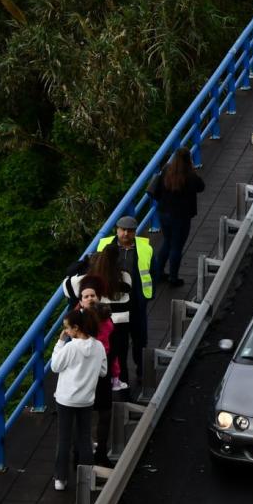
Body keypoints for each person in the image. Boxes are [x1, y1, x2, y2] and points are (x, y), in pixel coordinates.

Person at [50, 308, 107, 491]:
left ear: (76, 328)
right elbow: (103, 371)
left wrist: (59, 343)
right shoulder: (98, 346)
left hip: (66, 399)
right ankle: (87, 478)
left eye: (67, 328)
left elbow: (55, 366)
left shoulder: (70, 347)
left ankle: (61, 479)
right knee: (84, 439)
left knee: (64, 439)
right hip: (87, 399)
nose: (66, 331)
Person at [64, 246, 133, 392]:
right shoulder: (125, 276)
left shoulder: (84, 281)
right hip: (120, 324)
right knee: (119, 359)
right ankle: (123, 392)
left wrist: (83, 263)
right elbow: (129, 288)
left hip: (93, 326)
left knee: (91, 363)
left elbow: (67, 286)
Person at [95, 216, 153, 386]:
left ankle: (141, 371)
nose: (125, 233)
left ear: (135, 232)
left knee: (140, 339)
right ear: (117, 229)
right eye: (122, 229)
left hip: (136, 302)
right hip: (113, 305)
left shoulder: (144, 247)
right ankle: (118, 377)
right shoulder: (104, 245)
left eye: (130, 231)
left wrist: (147, 295)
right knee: (116, 342)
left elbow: (153, 270)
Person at [74, 280, 121, 466]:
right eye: (86, 296)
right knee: (82, 415)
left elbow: (113, 345)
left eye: (92, 295)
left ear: (98, 297)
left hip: (104, 367)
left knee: (105, 413)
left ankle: (101, 452)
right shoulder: (77, 320)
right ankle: (78, 454)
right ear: (81, 300)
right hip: (85, 370)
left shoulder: (106, 316)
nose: (90, 298)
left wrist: (115, 371)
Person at [149, 147, 205, 287]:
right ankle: (173, 278)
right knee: (176, 246)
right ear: (189, 160)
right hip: (181, 217)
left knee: (167, 242)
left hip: (164, 213)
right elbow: (201, 187)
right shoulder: (190, 176)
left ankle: (158, 271)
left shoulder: (167, 170)